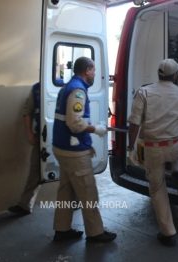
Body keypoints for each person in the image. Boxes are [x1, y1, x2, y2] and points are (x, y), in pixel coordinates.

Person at [127, 59, 178, 247]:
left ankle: (168, 232)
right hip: (175, 144)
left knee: (157, 188)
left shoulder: (144, 92)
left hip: (153, 148)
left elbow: (134, 124)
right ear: (175, 75)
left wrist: (131, 148)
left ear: (158, 73)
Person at [51, 56, 117, 242]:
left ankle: (62, 230)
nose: (95, 73)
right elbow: (75, 123)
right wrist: (96, 129)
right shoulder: (78, 91)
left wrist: (87, 141)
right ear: (87, 70)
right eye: (94, 70)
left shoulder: (67, 87)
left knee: (66, 191)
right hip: (73, 151)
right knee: (88, 193)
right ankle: (96, 233)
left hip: (63, 147)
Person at [8, 83, 42, 215]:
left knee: (69, 171)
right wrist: (29, 134)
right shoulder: (37, 88)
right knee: (35, 170)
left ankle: (76, 201)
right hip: (42, 136)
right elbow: (28, 112)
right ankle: (25, 205)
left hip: (61, 137)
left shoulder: (65, 86)